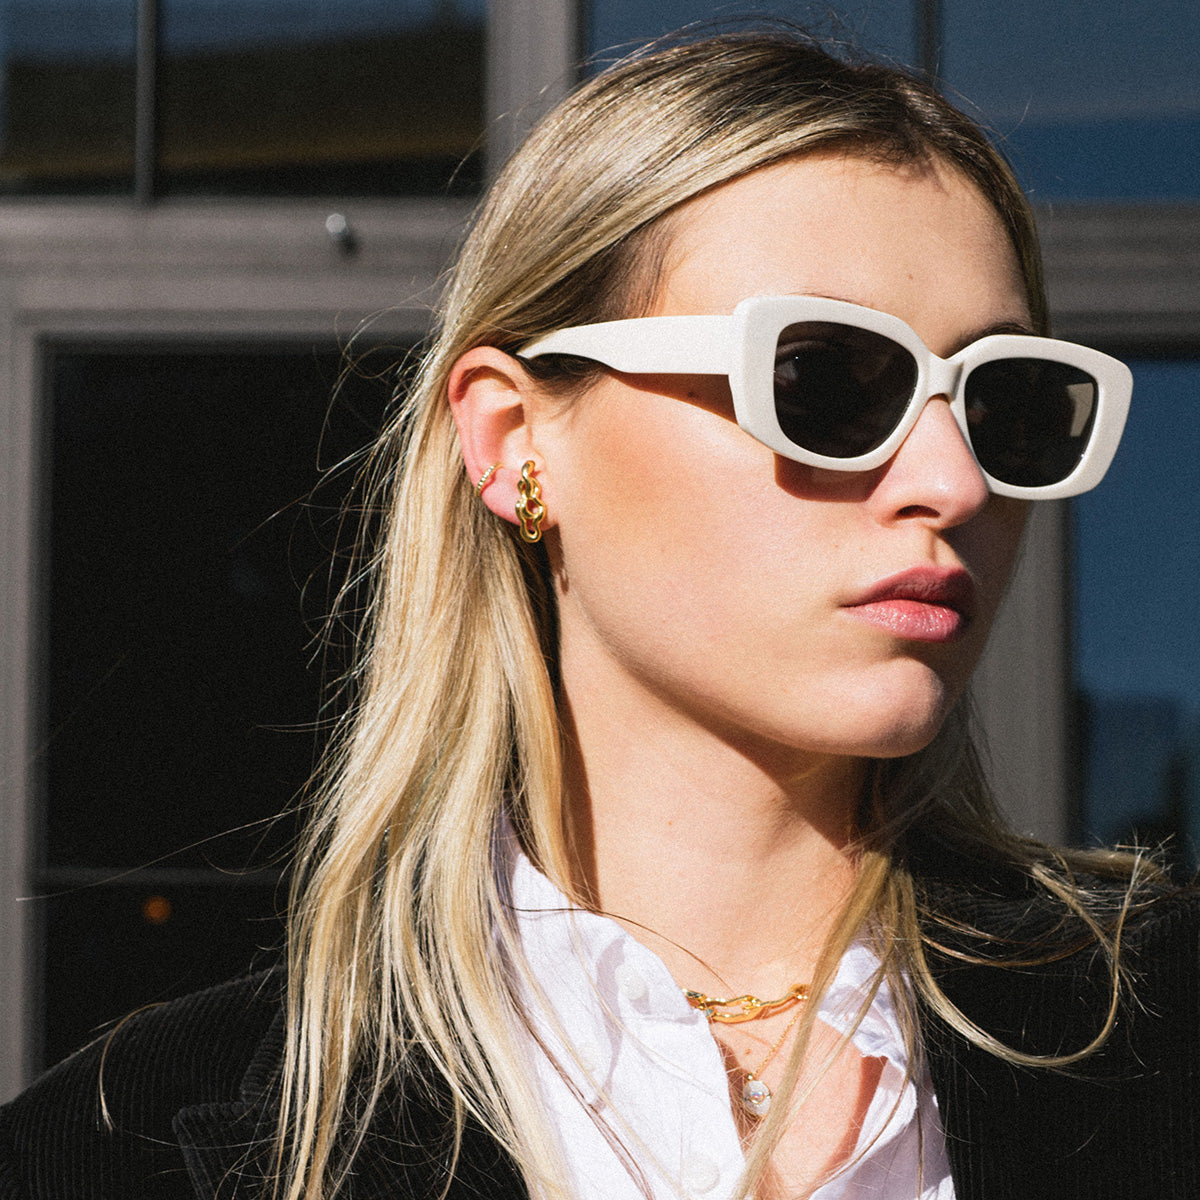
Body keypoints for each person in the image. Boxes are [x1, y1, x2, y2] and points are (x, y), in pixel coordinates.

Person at [1, 26, 1196, 1200]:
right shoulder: (121, 1147)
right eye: (826, 380)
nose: (953, 480)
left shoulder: (1159, 1036)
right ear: (515, 442)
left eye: (1012, 402)